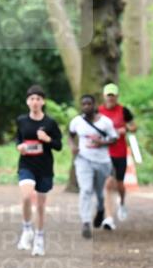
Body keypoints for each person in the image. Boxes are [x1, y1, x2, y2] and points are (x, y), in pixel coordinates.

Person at [15, 85, 63, 256]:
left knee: (41, 206)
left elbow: (59, 145)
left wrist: (48, 139)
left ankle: (39, 239)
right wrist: (19, 146)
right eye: (32, 99)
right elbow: (18, 138)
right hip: (26, 165)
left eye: (38, 99)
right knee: (27, 196)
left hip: (44, 167)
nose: (35, 102)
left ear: (43, 102)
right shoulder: (21, 120)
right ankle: (27, 229)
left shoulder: (50, 123)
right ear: (27, 102)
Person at [68, 94, 118, 239]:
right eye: (84, 104)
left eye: (89, 104)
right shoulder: (77, 121)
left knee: (99, 192)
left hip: (102, 161)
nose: (86, 107)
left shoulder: (105, 122)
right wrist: (73, 146)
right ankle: (85, 222)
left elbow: (114, 139)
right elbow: (70, 135)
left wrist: (101, 143)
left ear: (94, 105)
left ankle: (101, 209)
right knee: (86, 189)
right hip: (83, 160)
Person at [98, 83, 137, 226]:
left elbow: (134, 127)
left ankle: (122, 202)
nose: (110, 98)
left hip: (119, 152)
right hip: (104, 153)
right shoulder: (98, 112)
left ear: (116, 96)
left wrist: (125, 128)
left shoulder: (123, 111)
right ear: (104, 96)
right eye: (108, 95)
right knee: (108, 183)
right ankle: (108, 218)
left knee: (119, 183)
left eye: (113, 96)